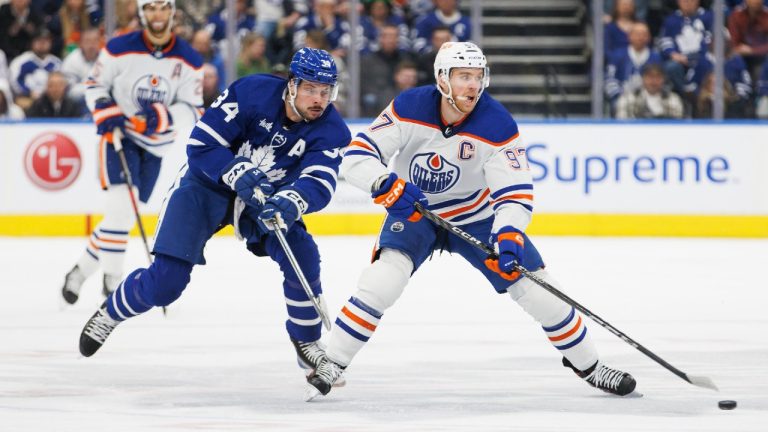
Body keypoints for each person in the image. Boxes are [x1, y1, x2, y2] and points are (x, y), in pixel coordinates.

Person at [304, 42, 637, 400]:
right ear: (442, 79)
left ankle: (589, 365)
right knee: (382, 280)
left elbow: (514, 192)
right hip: (416, 212)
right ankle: (333, 361)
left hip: (476, 217)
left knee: (541, 292)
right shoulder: (409, 106)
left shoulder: (496, 123)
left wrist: (509, 234)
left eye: (478, 77)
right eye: (464, 76)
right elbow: (358, 155)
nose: (473, 86)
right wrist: (385, 183)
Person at [77, 47, 352, 380]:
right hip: (206, 186)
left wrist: (293, 199)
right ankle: (112, 311)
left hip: (264, 199)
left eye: (325, 92)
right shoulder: (251, 93)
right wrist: (233, 169)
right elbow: (201, 145)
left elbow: (320, 182)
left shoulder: (332, 130)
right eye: (310, 88)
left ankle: (307, 342)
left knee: (303, 254)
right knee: (167, 282)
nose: (319, 99)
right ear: (291, 85)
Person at [60, 0, 204, 304]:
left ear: (172, 11)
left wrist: (159, 117)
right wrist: (104, 109)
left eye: (163, 7)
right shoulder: (119, 47)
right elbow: (95, 84)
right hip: (119, 137)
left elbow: (193, 109)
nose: (157, 14)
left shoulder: (189, 59)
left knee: (120, 215)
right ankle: (112, 281)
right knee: (121, 207)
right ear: (142, 12)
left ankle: (79, 272)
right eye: (150, 8)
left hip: (156, 145)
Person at [615, 62, 684, 119]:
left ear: (664, 79)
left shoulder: (673, 99)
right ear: (643, 78)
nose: (654, 81)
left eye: (658, 77)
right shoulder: (628, 98)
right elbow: (622, 125)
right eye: (650, 77)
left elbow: (677, 126)